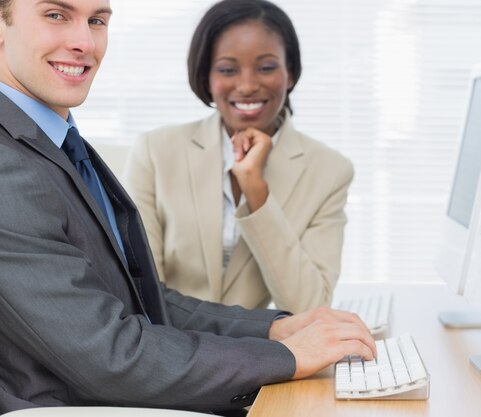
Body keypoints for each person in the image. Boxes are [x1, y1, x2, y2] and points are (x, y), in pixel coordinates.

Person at [0, 0, 375, 414]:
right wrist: (287, 356)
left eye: (97, 21)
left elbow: (141, 302)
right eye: (56, 15)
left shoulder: (56, 144)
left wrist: (274, 328)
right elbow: (110, 354)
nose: (84, 42)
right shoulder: (9, 166)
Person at [123, 0, 354, 313]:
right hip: (174, 346)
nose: (247, 86)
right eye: (228, 69)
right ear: (206, 77)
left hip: (261, 354)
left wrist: (255, 191)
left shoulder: (329, 171)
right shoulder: (155, 152)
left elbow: (309, 308)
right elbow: (143, 294)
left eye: (267, 67)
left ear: (291, 74)